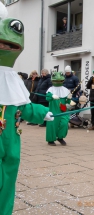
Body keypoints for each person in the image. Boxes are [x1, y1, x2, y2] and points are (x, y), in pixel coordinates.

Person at [0, 3, 54, 214]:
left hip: (13, 138)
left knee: (10, 173)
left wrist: (43, 113)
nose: (5, 47)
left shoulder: (13, 79)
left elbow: (25, 107)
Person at [46, 71, 74, 146]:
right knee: (53, 123)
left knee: (64, 123)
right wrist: (51, 97)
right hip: (53, 109)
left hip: (63, 109)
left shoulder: (65, 90)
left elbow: (68, 102)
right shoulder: (50, 89)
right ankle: (50, 140)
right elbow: (47, 98)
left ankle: (60, 137)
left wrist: (69, 98)